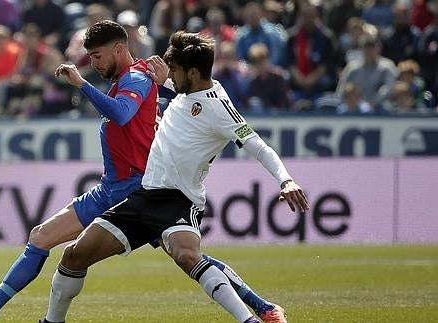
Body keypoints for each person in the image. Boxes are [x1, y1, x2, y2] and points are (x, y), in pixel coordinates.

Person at [0, 21, 289, 323]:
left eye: (97, 56)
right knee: (43, 237)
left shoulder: (137, 78)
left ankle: (262, 308)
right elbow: (177, 101)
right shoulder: (136, 77)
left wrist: (82, 84)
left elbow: (124, 113)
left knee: (187, 256)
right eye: (90, 58)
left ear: (119, 49)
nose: (93, 64)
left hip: (137, 188)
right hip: (111, 187)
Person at [41, 31, 308, 323]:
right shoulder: (184, 90)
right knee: (73, 256)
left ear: (192, 72)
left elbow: (259, 146)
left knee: (186, 256)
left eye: (175, 70)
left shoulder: (219, 107)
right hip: (144, 195)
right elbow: (182, 97)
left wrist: (286, 180)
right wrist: (166, 81)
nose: (170, 74)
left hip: (179, 200)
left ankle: (251, 320)